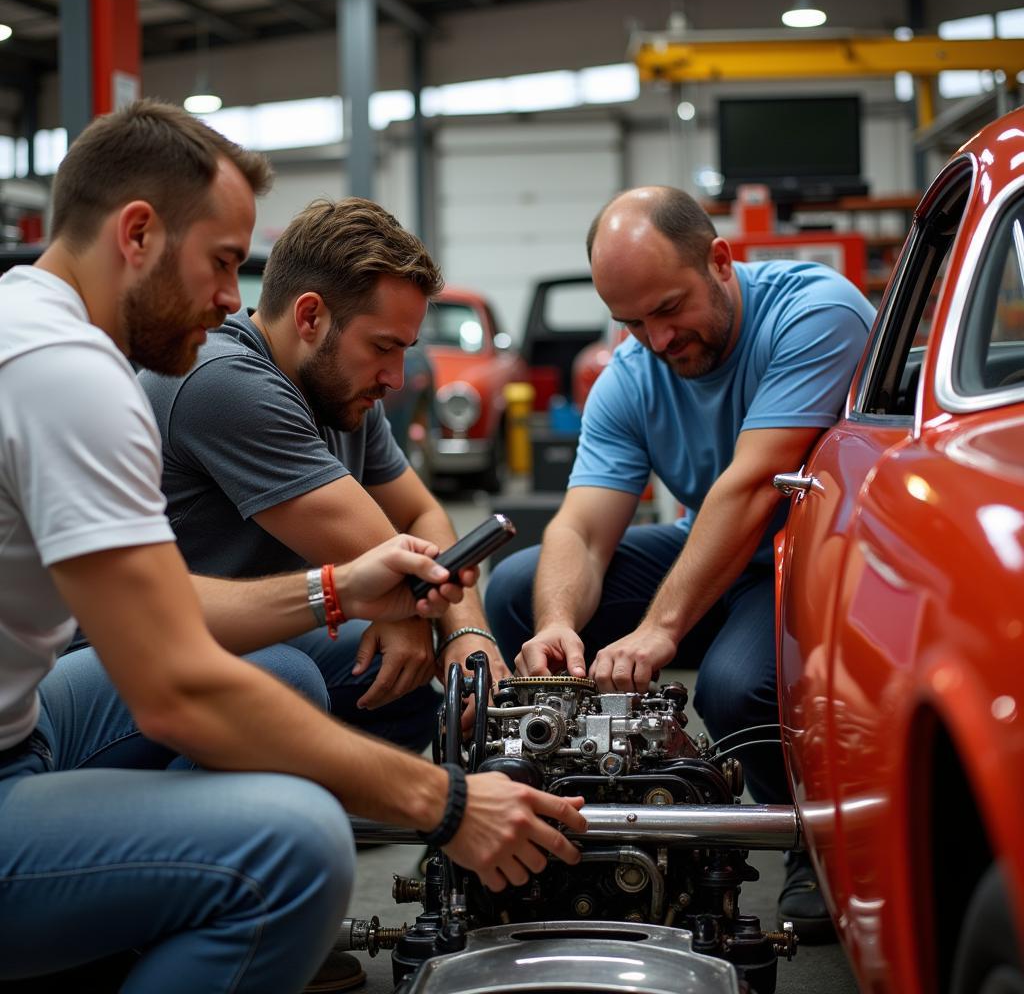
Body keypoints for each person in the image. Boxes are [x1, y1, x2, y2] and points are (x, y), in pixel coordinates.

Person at [0, 100, 586, 994]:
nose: (234, 294)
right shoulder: (77, 377)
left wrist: (342, 594)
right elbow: (173, 684)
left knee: (283, 673)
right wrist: (448, 805)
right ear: (139, 234)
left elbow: (164, 608)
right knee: (299, 846)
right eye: (224, 262)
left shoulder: (31, 324)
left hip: (29, 719)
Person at [485, 185, 873, 940]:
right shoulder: (632, 375)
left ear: (720, 261)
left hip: (804, 560)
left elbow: (754, 485)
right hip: (710, 559)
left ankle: (807, 839)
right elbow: (585, 529)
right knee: (514, 590)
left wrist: (661, 629)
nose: (657, 340)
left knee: (736, 688)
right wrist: (559, 622)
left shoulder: (816, 313)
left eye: (668, 310)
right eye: (632, 322)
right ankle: (557, 801)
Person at [139, 198, 508, 753]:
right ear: (310, 316)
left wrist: (464, 636)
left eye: (405, 350)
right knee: (292, 676)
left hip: (251, 633)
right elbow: (397, 558)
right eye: (383, 347)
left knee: (412, 686)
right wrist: (417, 614)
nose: (395, 377)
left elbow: (418, 513)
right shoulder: (222, 380)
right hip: (137, 653)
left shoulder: (346, 393)